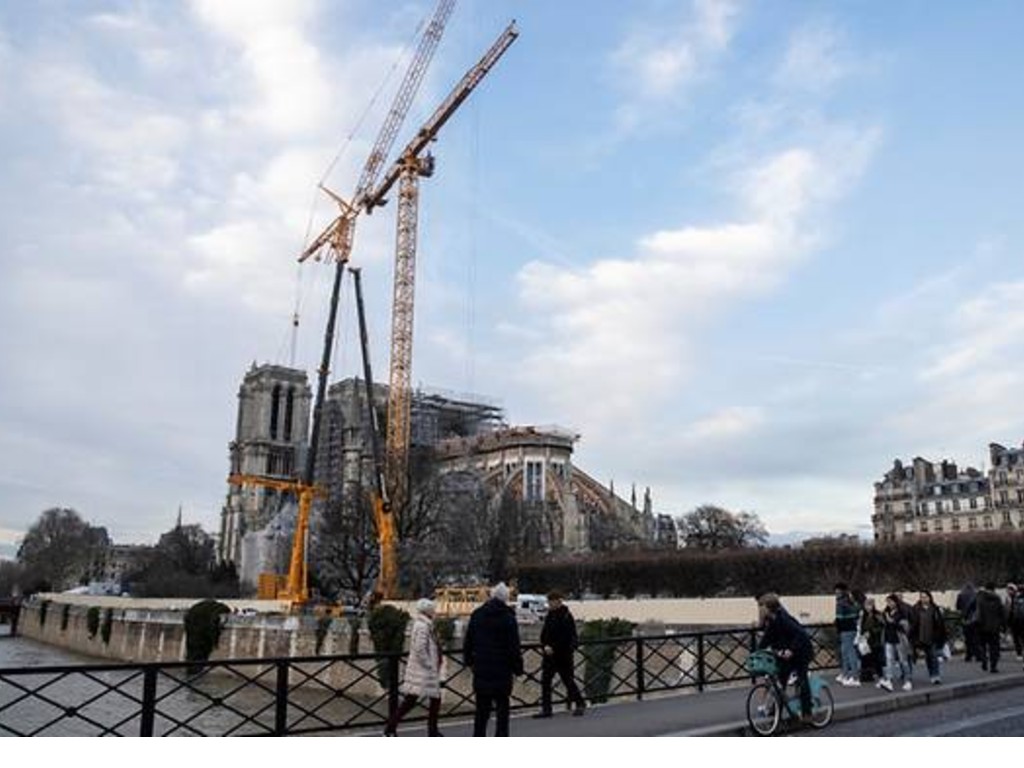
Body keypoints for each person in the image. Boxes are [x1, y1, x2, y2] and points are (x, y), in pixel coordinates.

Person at [463, 582, 523, 736]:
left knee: (481, 710)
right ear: (506, 598)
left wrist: (468, 660)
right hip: (502, 669)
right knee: (502, 710)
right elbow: (514, 646)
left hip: (482, 667)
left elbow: (468, 640)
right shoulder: (508, 617)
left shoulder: (477, 614)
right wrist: (518, 668)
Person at [383, 598, 443, 737]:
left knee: (419, 700)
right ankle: (391, 728)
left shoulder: (424, 624)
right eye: (432, 609)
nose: (434, 612)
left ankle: (392, 728)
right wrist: (429, 664)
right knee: (415, 701)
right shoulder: (423, 626)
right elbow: (420, 648)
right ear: (427, 611)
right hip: (424, 671)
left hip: (423, 670)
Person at [756, 593, 813, 722]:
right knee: (780, 683)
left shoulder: (784, 619)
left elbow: (801, 635)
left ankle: (807, 713)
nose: (760, 608)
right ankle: (777, 712)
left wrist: (791, 650)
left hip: (801, 653)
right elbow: (767, 638)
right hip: (786, 655)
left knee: (802, 680)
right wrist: (757, 652)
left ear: (769, 608)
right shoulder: (771, 621)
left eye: (762, 606)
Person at [533, 590, 586, 719]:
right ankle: (547, 709)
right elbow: (544, 634)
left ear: (558, 601)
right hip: (549, 655)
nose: (549, 604)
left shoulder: (566, 615)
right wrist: (545, 645)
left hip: (563, 655)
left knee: (568, 681)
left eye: (551, 602)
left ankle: (580, 703)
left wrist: (553, 647)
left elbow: (567, 637)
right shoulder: (550, 615)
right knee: (545, 682)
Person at [909, 590, 948, 684]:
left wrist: (942, 636)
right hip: (921, 637)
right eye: (922, 597)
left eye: (925, 597)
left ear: (930, 597)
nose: (923, 599)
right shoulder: (916, 609)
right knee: (928, 658)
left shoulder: (935, 609)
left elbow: (940, 624)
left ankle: (936, 675)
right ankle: (931, 673)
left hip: (932, 636)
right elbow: (913, 624)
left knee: (933, 656)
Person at [877, 593, 912, 692]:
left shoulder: (901, 612)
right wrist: (883, 620)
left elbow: (905, 626)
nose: (889, 604)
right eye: (887, 602)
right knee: (889, 660)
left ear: (896, 602)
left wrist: (893, 622)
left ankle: (907, 680)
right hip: (889, 638)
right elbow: (884, 623)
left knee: (903, 660)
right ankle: (888, 680)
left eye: (891, 601)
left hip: (899, 638)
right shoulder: (886, 612)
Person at [834, 582, 861, 686]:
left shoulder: (840, 603)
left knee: (849, 653)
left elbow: (839, 618)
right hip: (851, 628)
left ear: (841, 591)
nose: (836, 593)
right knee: (846, 652)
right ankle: (845, 674)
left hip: (845, 630)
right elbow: (857, 612)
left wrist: (837, 627)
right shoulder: (851, 601)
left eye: (837, 591)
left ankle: (854, 677)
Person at [975, 581, 1006, 673]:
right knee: (994, 647)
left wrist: (978, 624)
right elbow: (1002, 614)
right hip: (995, 627)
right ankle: (993, 666)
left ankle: (984, 660)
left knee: (982, 645)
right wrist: (1003, 625)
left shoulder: (980, 598)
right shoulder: (997, 599)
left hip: (982, 627)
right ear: (994, 589)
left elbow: (978, 614)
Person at [858, 597, 884, 682]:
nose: (868, 607)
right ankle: (866, 675)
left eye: (870, 605)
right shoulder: (863, 615)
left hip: (874, 640)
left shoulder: (877, 615)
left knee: (875, 658)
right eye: (866, 605)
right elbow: (860, 626)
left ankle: (879, 674)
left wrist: (871, 632)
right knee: (865, 658)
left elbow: (881, 627)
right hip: (865, 640)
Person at [955, 582, 980, 662]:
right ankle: (978, 655)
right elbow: (977, 607)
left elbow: (958, 607)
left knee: (967, 638)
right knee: (975, 638)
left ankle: (968, 655)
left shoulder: (960, 595)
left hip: (965, 619)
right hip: (974, 619)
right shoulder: (976, 595)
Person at [1004, 583, 1024, 660]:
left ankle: (1019, 653)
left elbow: (1009, 611)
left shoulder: (1014, 599)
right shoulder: (1015, 598)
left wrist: (1008, 622)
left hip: (1015, 622)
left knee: (1016, 638)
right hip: (1020, 621)